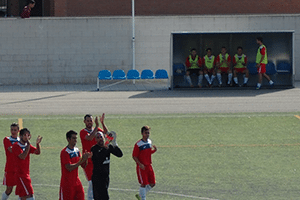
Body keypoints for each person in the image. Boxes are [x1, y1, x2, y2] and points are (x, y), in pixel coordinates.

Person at [80, 113, 108, 200]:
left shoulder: (97, 130)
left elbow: (106, 134)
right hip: (87, 161)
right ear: (84, 122)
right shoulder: (83, 132)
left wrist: (102, 123)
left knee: (97, 182)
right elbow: (90, 137)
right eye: (87, 121)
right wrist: (97, 126)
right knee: (91, 182)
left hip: (97, 161)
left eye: (91, 120)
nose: (89, 122)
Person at [91, 130, 123, 200]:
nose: (100, 139)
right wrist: (106, 147)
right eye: (98, 137)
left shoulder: (107, 147)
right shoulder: (94, 149)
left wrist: (114, 144)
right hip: (97, 179)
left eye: (101, 137)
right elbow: (99, 157)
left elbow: (120, 154)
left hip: (106, 178)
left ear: (104, 137)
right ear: (96, 139)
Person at [60, 130, 91, 200]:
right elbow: (69, 167)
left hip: (76, 182)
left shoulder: (77, 150)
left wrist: (85, 158)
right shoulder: (64, 152)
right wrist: (81, 161)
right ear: (68, 139)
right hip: (67, 184)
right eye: (73, 138)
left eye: (76, 138)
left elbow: (83, 165)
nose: (75, 140)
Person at [12, 128, 42, 200]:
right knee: (30, 195)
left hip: (26, 174)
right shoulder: (16, 146)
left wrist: (37, 144)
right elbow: (22, 156)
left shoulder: (27, 145)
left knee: (23, 196)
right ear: (20, 136)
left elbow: (37, 152)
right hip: (20, 175)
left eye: (28, 135)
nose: (27, 137)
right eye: (25, 135)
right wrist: (28, 145)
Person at [133, 126, 157, 200]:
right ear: (142, 133)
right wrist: (140, 164)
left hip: (149, 165)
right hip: (142, 167)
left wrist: (154, 151)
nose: (147, 134)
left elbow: (148, 153)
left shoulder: (149, 142)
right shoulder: (138, 144)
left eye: (148, 133)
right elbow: (134, 156)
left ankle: (140, 195)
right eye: (146, 133)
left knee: (153, 183)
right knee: (143, 184)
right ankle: (143, 198)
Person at [2, 123, 19, 200]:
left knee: (21, 190)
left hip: (19, 169)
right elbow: (11, 150)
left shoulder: (21, 141)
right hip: (10, 169)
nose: (13, 131)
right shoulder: (7, 139)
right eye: (12, 130)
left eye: (15, 130)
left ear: (18, 131)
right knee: (9, 190)